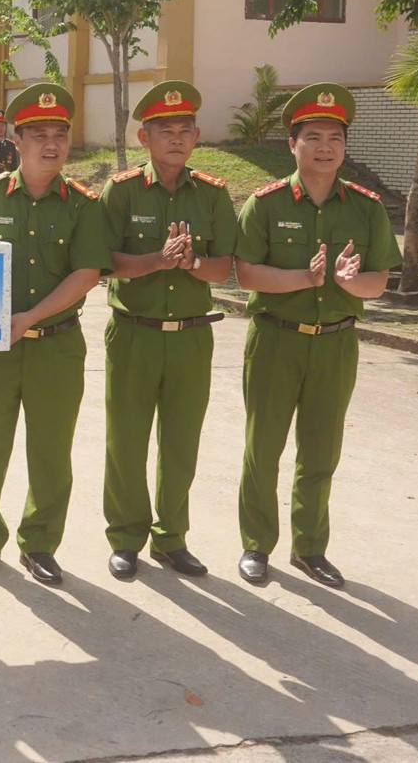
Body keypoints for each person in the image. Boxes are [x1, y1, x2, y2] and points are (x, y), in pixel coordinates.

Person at [233, 84, 401, 589]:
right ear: (292, 145)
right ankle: (257, 545)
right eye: (312, 137)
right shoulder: (266, 203)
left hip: (336, 343)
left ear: (344, 147)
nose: (324, 147)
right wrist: (302, 280)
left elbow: (378, 282)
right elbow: (245, 275)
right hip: (276, 339)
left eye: (334, 138)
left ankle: (310, 548)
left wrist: (350, 282)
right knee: (263, 447)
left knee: (321, 450)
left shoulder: (366, 208)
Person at [0, 83, 112, 587]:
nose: (51, 144)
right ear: (16, 141)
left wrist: (30, 318)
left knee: (50, 450)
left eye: (60, 135)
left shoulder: (84, 206)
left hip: (58, 348)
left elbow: (86, 274)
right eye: (39, 134)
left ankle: (40, 543)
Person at [99, 82, 238, 581]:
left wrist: (192, 262)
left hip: (192, 337)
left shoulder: (214, 195)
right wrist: (159, 261)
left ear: (196, 136)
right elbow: (106, 262)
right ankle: (126, 537)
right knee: (127, 441)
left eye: (184, 131)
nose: (175, 139)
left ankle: (172, 538)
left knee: (182, 442)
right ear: (144, 137)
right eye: (164, 131)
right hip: (134, 333)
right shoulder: (121, 191)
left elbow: (224, 270)